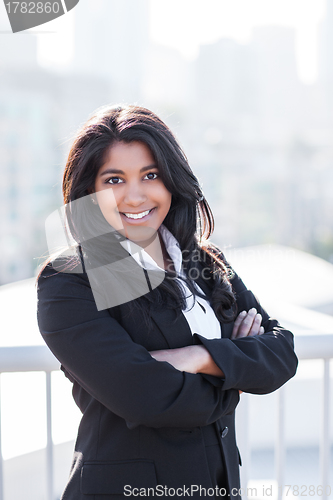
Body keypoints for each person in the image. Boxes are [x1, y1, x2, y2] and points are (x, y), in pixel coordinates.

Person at [37, 104, 298, 500]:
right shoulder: (72, 279)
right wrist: (237, 374)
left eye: (151, 175)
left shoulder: (203, 262)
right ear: (89, 190)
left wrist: (200, 358)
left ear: (171, 180)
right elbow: (146, 398)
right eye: (114, 179)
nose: (135, 195)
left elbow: (281, 353)